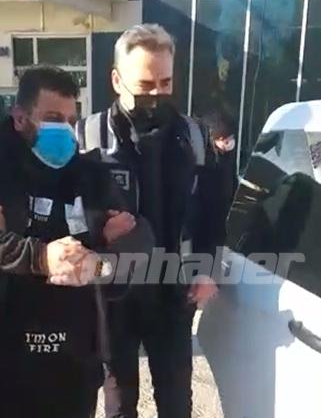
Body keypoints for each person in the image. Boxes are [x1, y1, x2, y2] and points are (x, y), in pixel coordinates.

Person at [0, 65, 151, 418]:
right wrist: (42, 257)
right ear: (19, 118)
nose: (63, 129)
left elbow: (137, 236)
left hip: (75, 360)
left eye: (70, 120)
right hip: (2, 358)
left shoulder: (91, 174)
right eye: (52, 118)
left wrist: (100, 262)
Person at [75, 24, 226, 418]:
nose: (156, 93)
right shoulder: (88, 136)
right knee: (119, 404)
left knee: (176, 403)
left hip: (173, 295)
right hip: (114, 297)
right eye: (144, 84)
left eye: (165, 82)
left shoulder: (194, 137)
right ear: (116, 80)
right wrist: (97, 231)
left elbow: (213, 211)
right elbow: (68, 215)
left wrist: (208, 269)